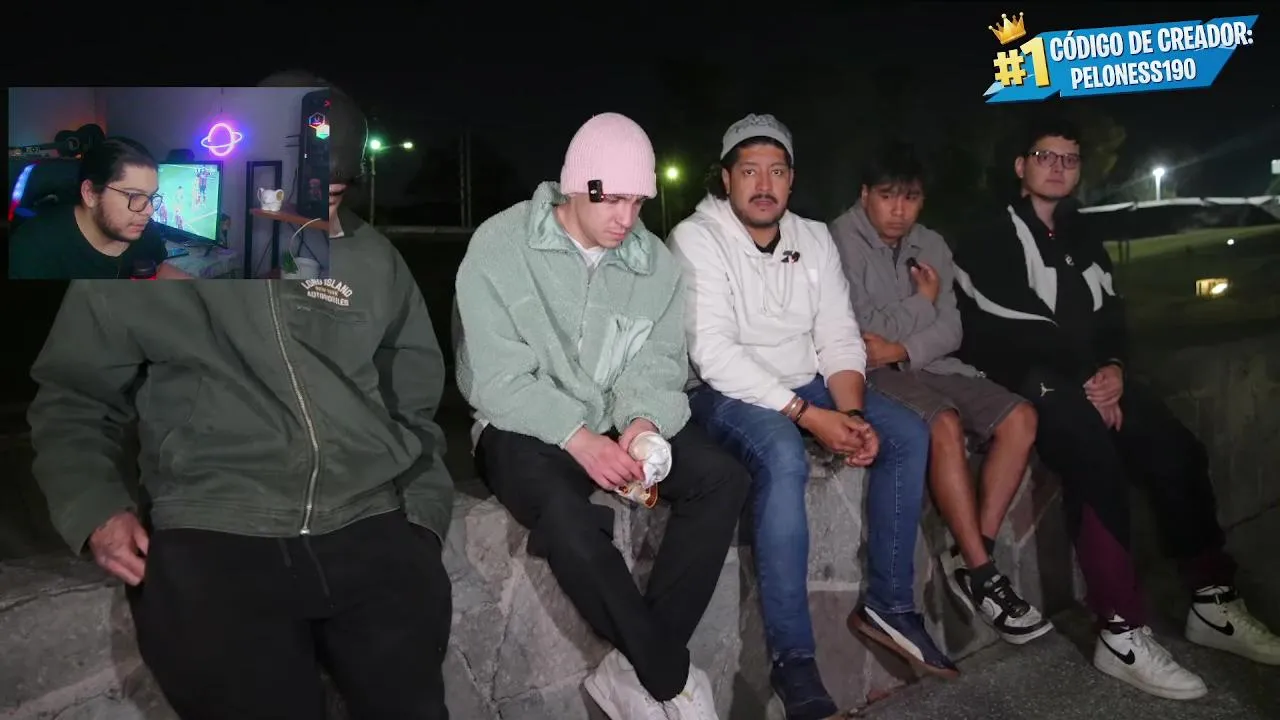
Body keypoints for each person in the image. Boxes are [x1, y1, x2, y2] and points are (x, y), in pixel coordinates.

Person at [27, 80, 456, 719]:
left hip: (369, 527)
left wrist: (421, 515)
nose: (317, 216)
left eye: (334, 196)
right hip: (215, 533)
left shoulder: (374, 260)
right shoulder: (159, 249)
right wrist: (94, 507)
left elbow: (413, 396)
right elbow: (74, 393)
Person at [952, 116, 1280, 700]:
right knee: (1092, 452)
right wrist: (1085, 381)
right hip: (1026, 378)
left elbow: (1111, 314)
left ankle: (1211, 600)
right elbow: (1010, 324)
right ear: (1020, 166)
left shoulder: (1082, 232)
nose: (1058, 167)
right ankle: (1121, 632)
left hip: (1090, 377)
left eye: (1070, 158)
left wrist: (1114, 369)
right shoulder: (988, 235)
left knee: (1175, 447)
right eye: (1045, 156)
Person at [454, 112, 747, 720]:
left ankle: (633, 666)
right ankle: (666, 677)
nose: (625, 218)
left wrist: (642, 421)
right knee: (565, 515)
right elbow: (494, 376)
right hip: (521, 424)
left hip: (616, 420)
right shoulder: (501, 245)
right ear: (574, 187)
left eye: (637, 201)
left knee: (723, 479)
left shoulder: (654, 264)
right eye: (610, 199)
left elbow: (661, 360)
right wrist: (576, 436)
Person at [668, 114, 956, 720]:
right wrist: (808, 416)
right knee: (781, 454)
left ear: (792, 180)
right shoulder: (695, 237)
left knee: (906, 431)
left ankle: (890, 604)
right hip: (724, 390)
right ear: (725, 178)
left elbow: (838, 336)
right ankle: (793, 661)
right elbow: (713, 353)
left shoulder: (813, 237)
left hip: (809, 382)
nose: (763, 184)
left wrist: (848, 412)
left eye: (776, 171)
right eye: (749, 171)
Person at [829, 143, 1051, 645]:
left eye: (910, 198)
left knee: (1021, 417)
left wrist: (902, 345)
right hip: (873, 376)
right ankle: (984, 574)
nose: (899, 210)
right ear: (865, 195)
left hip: (931, 363)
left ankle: (973, 555)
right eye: (887, 196)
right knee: (943, 423)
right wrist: (920, 303)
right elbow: (859, 334)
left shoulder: (930, 243)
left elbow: (952, 328)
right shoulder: (837, 242)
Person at [8, 137, 190, 279]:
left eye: (150, 197)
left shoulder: (147, 232)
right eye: (134, 196)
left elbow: (158, 269)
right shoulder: (33, 249)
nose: (149, 211)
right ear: (90, 193)